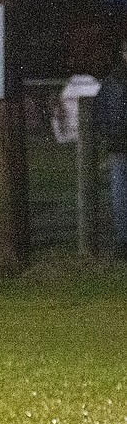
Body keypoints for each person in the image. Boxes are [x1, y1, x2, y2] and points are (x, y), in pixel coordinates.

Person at [94, 37, 127, 260]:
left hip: (118, 145)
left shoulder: (111, 80)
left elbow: (99, 114)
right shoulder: (113, 81)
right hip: (119, 145)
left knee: (120, 195)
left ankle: (122, 241)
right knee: (120, 194)